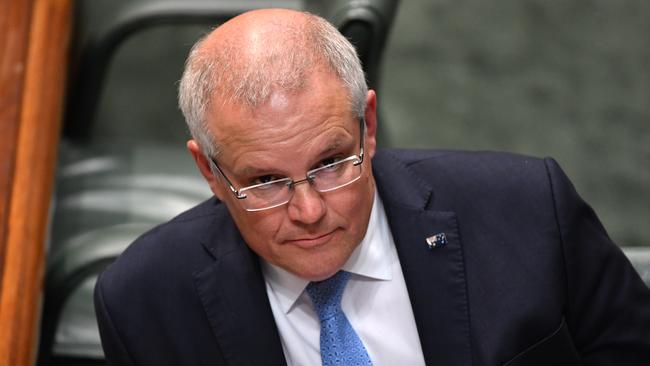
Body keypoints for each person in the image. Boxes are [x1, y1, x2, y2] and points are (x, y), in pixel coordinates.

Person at [94, 8, 650, 366]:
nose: (310, 210)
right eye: (264, 181)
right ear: (210, 173)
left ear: (370, 125)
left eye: (332, 162)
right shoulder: (144, 302)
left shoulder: (530, 209)